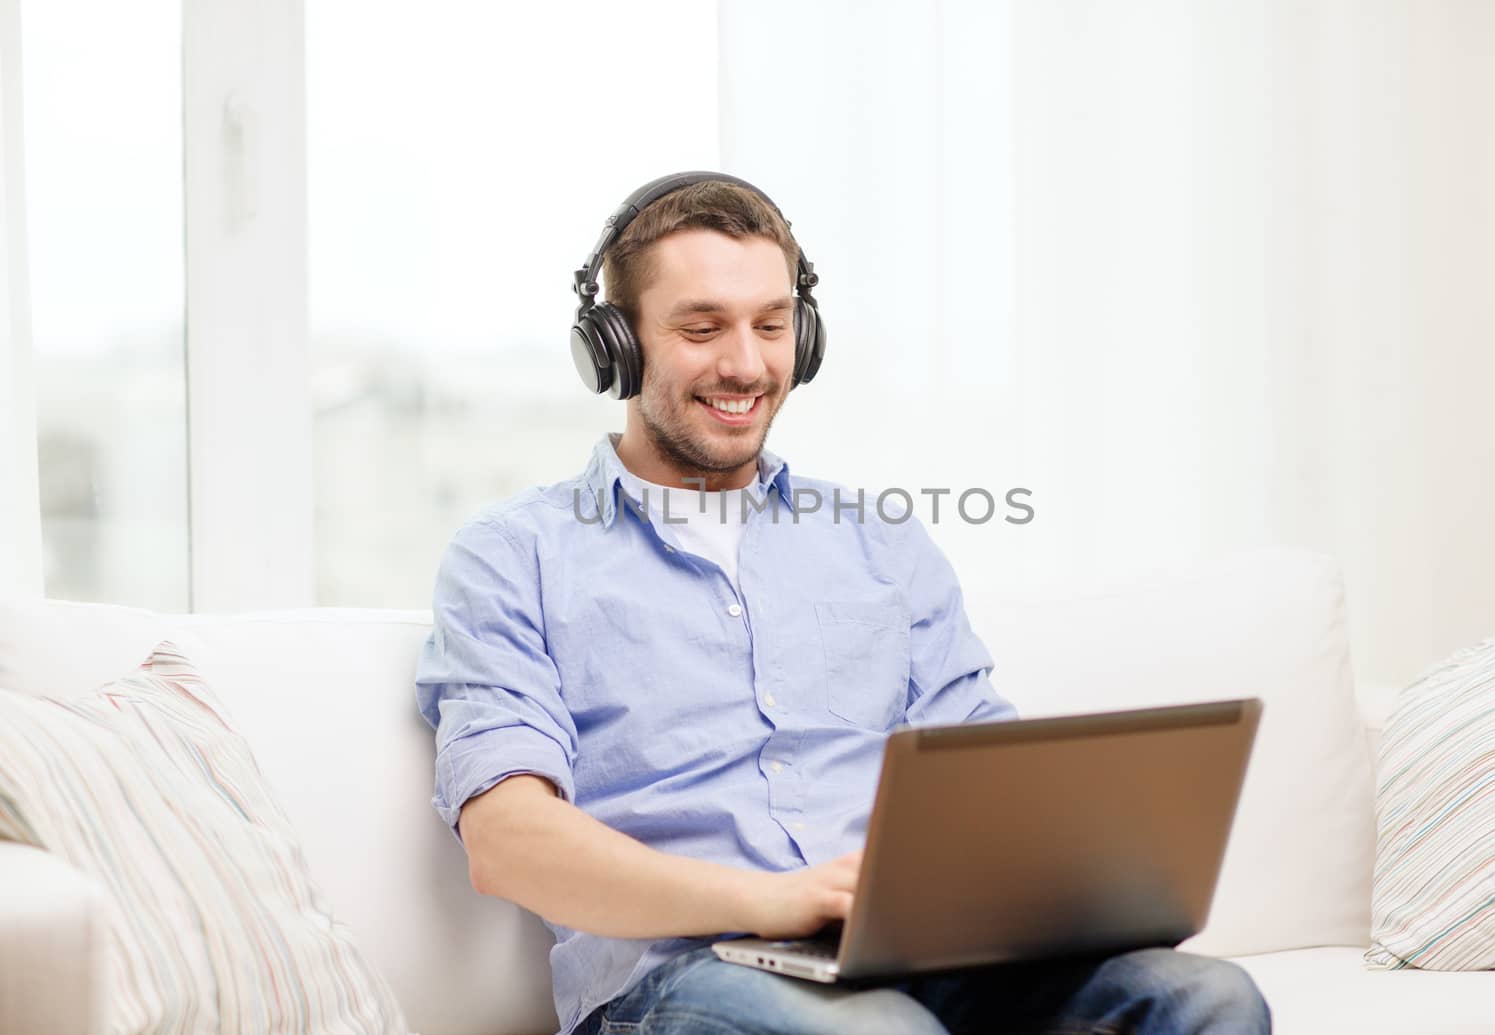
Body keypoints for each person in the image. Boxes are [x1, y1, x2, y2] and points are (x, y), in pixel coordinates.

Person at [415, 172, 1271, 1035]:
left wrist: (1073, 880)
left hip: (919, 962)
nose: (746, 364)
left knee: (1208, 998)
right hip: (681, 981)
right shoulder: (514, 553)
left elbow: (985, 778)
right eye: (702, 327)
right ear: (616, 346)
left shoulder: (882, 544)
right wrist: (776, 900)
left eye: (772, 325)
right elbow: (508, 841)